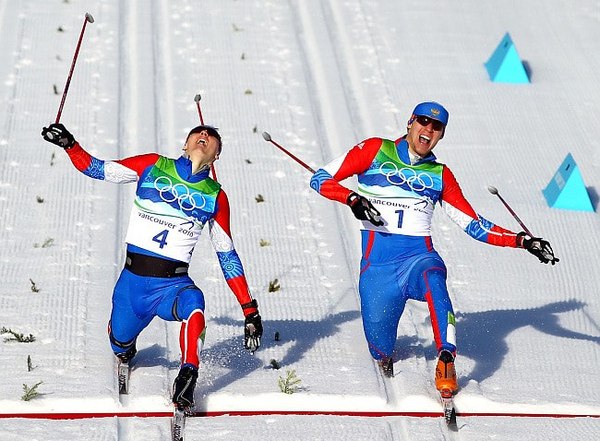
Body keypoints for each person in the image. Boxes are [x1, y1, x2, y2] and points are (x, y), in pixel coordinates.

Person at [309, 101, 558, 397]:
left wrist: (523, 240)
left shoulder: (440, 174)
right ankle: (384, 352)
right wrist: (352, 199)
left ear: (441, 135)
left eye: (436, 127)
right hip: (378, 267)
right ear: (410, 123)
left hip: (418, 257)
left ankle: (446, 358)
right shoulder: (375, 150)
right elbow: (319, 178)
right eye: (423, 122)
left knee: (434, 279)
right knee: (379, 346)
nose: (428, 129)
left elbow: (473, 225)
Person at [41, 122, 263, 410]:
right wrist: (70, 144)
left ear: (216, 156)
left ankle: (188, 375)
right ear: (186, 144)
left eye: (212, 137)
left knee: (195, 302)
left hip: (173, 286)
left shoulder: (216, 197)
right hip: (133, 284)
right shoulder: (153, 165)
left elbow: (227, 254)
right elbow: (99, 169)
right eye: (198, 133)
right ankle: (124, 347)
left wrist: (249, 308)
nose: (204, 136)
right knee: (119, 342)